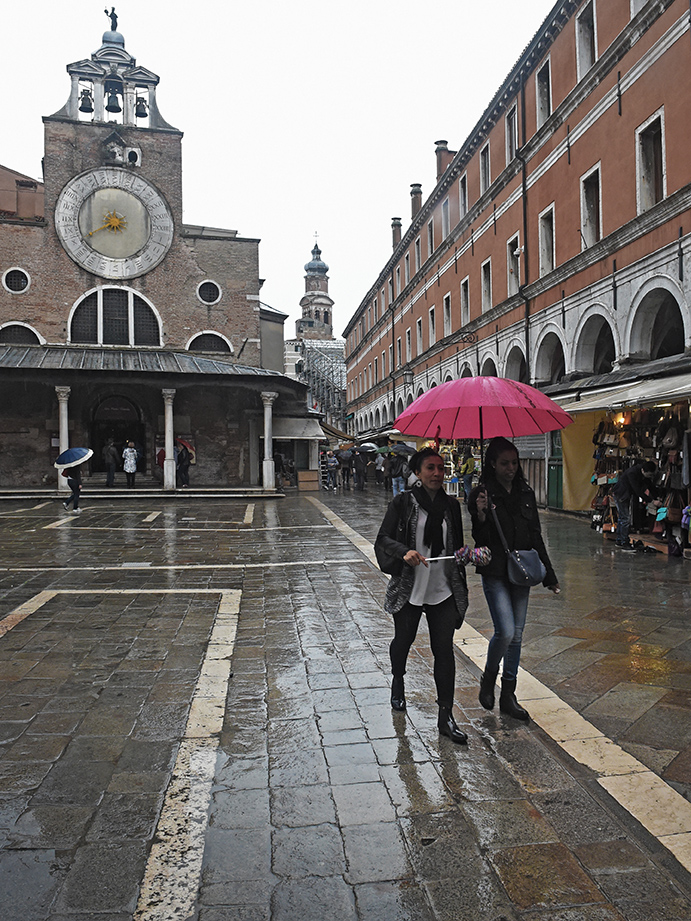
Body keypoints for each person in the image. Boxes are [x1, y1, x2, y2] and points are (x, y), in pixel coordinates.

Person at [375, 448, 469, 744]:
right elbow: (383, 539)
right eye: (431, 467)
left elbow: (458, 548)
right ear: (417, 472)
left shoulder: (452, 506)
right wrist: (405, 552)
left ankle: (446, 716)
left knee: (444, 650)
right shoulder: (402, 503)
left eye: (441, 468)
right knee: (403, 641)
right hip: (410, 587)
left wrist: (466, 554)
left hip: (442, 587)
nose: (437, 473)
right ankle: (398, 680)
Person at [469, 437, 559, 722]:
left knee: (517, 635)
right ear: (492, 463)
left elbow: (535, 536)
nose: (510, 468)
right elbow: (480, 541)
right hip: (495, 570)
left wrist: (549, 575)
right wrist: (481, 513)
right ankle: (489, 678)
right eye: (504, 463)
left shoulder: (525, 492)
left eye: (514, 463)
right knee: (505, 631)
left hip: (522, 571)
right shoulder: (482, 494)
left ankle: (508, 694)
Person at [612, 460, 657, 551]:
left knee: (622, 518)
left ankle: (619, 540)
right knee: (625, 519)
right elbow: (637, 490)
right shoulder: (632, 473)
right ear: (644, 471)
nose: (649, 477)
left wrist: (656, 496)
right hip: (621, 495)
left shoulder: (641, 472)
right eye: (649, 475)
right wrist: (651, 500)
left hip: (624, 494)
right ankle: (624, 542)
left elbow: (649, 485)